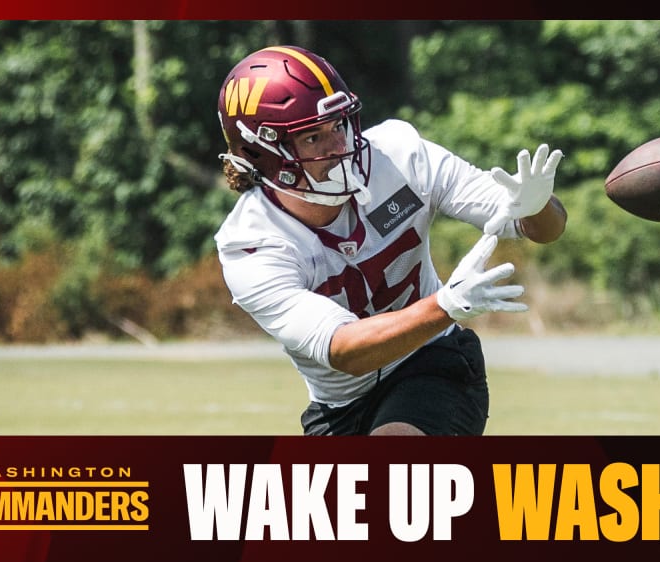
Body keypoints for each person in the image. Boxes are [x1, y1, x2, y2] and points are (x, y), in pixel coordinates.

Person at [212, 46, 567, 435]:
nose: (340, 148)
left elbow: (541, 228)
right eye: (313, 138)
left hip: (432, 362)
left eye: (339, 125)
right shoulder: (251, 245)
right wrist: (445, 303)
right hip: (338, 408)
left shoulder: (399, 156)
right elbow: (345, 350)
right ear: (263, 156)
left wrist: (536, 206)